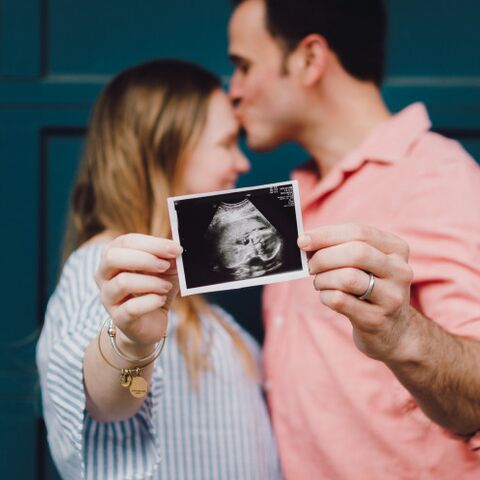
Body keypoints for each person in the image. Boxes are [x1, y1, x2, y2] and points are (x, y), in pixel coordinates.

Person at [227, 0, 480, 478]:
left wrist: (401, 332)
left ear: (309, 59)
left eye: (243, 65)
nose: (232, 92)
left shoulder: (435, 178)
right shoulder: (290, 199)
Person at [36, 59, 282, 480]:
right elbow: (105, 400)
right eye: (226, 143)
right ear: (163, 150)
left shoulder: (190, 298)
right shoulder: (105, 270)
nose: (241, 163)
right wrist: (131, 343)